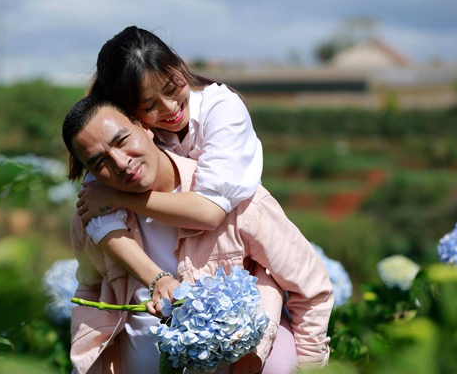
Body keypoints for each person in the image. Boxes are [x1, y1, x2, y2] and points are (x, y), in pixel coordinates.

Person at [63, 96, 333, 374]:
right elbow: (90, 287)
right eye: (99, 162)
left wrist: (312, 368)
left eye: (122, 141)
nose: (120, 163)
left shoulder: (233, 197)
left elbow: (311, 289)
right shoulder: (92, 214)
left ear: (144, 126)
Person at [73, 26, 263, 313]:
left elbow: (209, 211)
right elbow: (102, 220)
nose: (170, 108)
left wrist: (119, 197)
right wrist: (158, 280)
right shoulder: (124, 142)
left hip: (244, 264)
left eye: (172, 89)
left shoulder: (221, 108)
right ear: (128, 113)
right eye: (149, 106)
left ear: (178, 63)